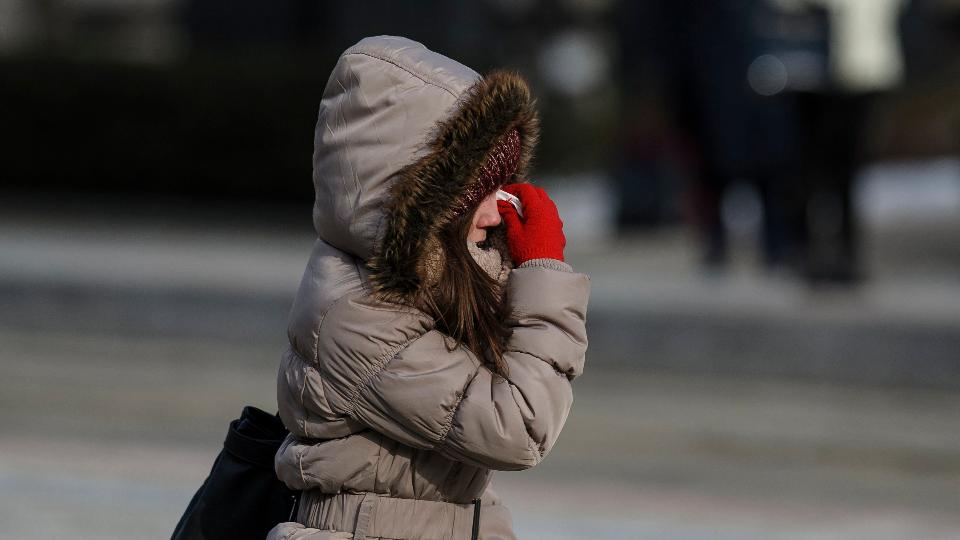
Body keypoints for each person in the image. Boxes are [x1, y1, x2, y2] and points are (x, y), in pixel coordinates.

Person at [267, 36, 590, 540]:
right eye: (480, 193)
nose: (495, 213)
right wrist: (543, 271)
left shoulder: (423, 280)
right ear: (423, 205)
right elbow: (518, 428)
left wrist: (508, 264)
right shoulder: (359, 313)